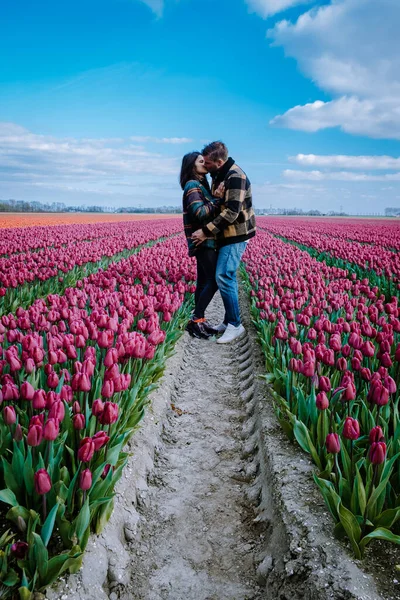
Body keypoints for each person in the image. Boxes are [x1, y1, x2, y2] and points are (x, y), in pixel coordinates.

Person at [192, 141, 256, 344]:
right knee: (225, 276)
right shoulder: (218, 174)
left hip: (235, 233)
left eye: (208, 163)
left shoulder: (236, 176)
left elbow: (232, 212)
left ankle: (235, 325)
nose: (205, 166)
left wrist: (205, 231)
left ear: (219, 162)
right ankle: (229, 321)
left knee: (224, 275)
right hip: (224, 234)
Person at [180, 152, 224, 339]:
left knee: (203, 282)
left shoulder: (200, 185)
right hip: (204, 240)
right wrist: (218, 200)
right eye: (201, 161)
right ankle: (196, 319)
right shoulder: (192, 186)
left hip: (204, 240)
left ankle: (199, 321)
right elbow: (199, 213)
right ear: (192, 166)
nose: (205, 163)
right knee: (215, 280)